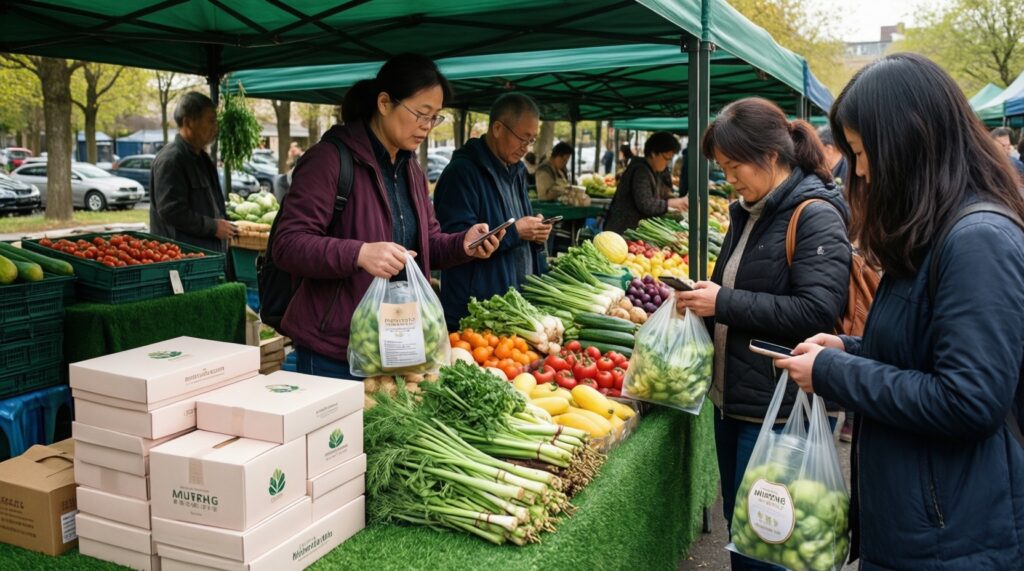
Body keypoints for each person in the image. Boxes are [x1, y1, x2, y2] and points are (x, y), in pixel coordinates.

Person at [774, 54, 1024, 569]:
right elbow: (925, 350)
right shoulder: (935, 232)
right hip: (923, 523)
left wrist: (835, 372)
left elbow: (968, 400)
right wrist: (850, 348)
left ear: (910, 142)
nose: (860, 170)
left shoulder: (977, 241)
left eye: (863, 152)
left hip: (954, 537)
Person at [675, 97, 852, 571]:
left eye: (734, 167)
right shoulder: (748, 212)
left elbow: (816, 310)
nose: (729, 178)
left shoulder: (813, 215)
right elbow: (738, 292)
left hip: (778, 408)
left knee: (768, 545)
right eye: (722, 168)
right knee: (745, 533)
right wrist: (700, 302)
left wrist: (723, 302)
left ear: (770, 156)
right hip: (735, 402)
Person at [271, 53, 502, 378]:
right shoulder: (329, 161)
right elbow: (288, 245)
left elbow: (424, 246)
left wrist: (463, 244)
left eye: (435, 117)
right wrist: (360, 253)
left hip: (397, 347)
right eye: (421, 114)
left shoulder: (411, 170)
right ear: (384, 103)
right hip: (334, 351)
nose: (427, 126)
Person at [433, 92, 552, 329]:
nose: (526, 148)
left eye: (531, 140)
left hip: (512, 310)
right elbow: (455, 244)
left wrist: (536, 234)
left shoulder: (517, 170)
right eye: (523, 138)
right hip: (475, 313)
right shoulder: (461, 173)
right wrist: (516, 232)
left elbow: (519, 225)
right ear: (497, 128)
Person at [150, 91, 238, 254]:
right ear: (188, 122)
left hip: (207, 254)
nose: (215, 128)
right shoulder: (172, 159)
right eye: (210, 121)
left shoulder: (202, 158)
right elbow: (171, 211)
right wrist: (213, 227)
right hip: (182, 257)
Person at [603, 132, 688, 234]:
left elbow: (660, 194)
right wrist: (671, 203)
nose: (668, 163)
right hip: (621, 232)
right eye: (667, 158)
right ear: (653, 153)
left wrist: (672, 199)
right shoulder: (640, 171)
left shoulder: (653, 170)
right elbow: (646, 204)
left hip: (630, 231)